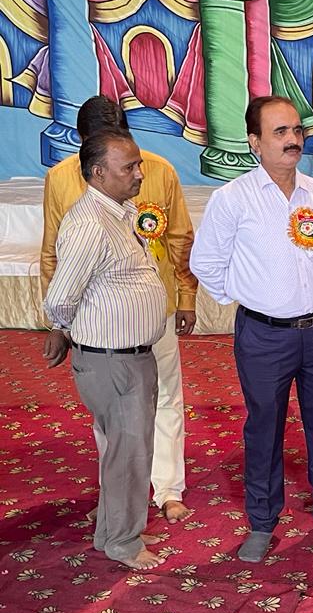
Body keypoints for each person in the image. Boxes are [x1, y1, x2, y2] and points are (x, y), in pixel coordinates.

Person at [190, 95, 313, 563]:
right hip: (264, 336)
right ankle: (262, 521)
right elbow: (205, 263)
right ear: (255, 142)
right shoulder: (233, 199)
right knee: (264, 427)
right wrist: (248, 296)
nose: (293, 140)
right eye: (280, 132)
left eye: (296, 131)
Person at [40, 94, 197, 524]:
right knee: (111, 416)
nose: (134, 172)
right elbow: (52, 252)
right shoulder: (61, 179)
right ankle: (119, 503)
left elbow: (180, 237)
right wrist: (58, 325)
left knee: (165, 399)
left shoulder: (157, 171)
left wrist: (186, 295)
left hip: (155, 314)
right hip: (99, 327)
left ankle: (167, 489)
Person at [44, 129, 167, 570]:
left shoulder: (121, 212)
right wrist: (60, 326)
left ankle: (112, 530)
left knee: (127, 450)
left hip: (129, 357)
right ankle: (122, 541)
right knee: (129, 453)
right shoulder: (88, 223)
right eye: (128, 167)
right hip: (111, 360)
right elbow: (62, 293)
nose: (139, 173)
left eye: (138, 164)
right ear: (98, 172)